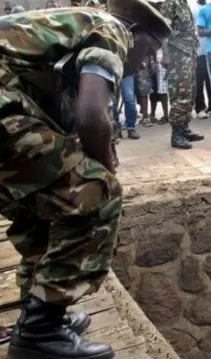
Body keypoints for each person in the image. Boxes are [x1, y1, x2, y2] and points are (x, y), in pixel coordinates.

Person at [0, 1, 171, 358]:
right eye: (151, 49)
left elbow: (71, 126)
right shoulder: (111, 29)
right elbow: (91, 116)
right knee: (97, 191)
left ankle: (43, 313)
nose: (147, 61)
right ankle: (39, 332)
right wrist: (105, 165)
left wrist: (93, 147)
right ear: (136, 33)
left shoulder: (64, 40)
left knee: (44, 206)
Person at [160, 0, 205, 149]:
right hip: (176, 54)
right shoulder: (170, 3)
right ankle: (176, 134)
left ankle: (184, 128)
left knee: (190, 93)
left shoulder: (183, 4)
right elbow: (162, 31)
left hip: (189, 54)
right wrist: (165, 55)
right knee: (180, 93)